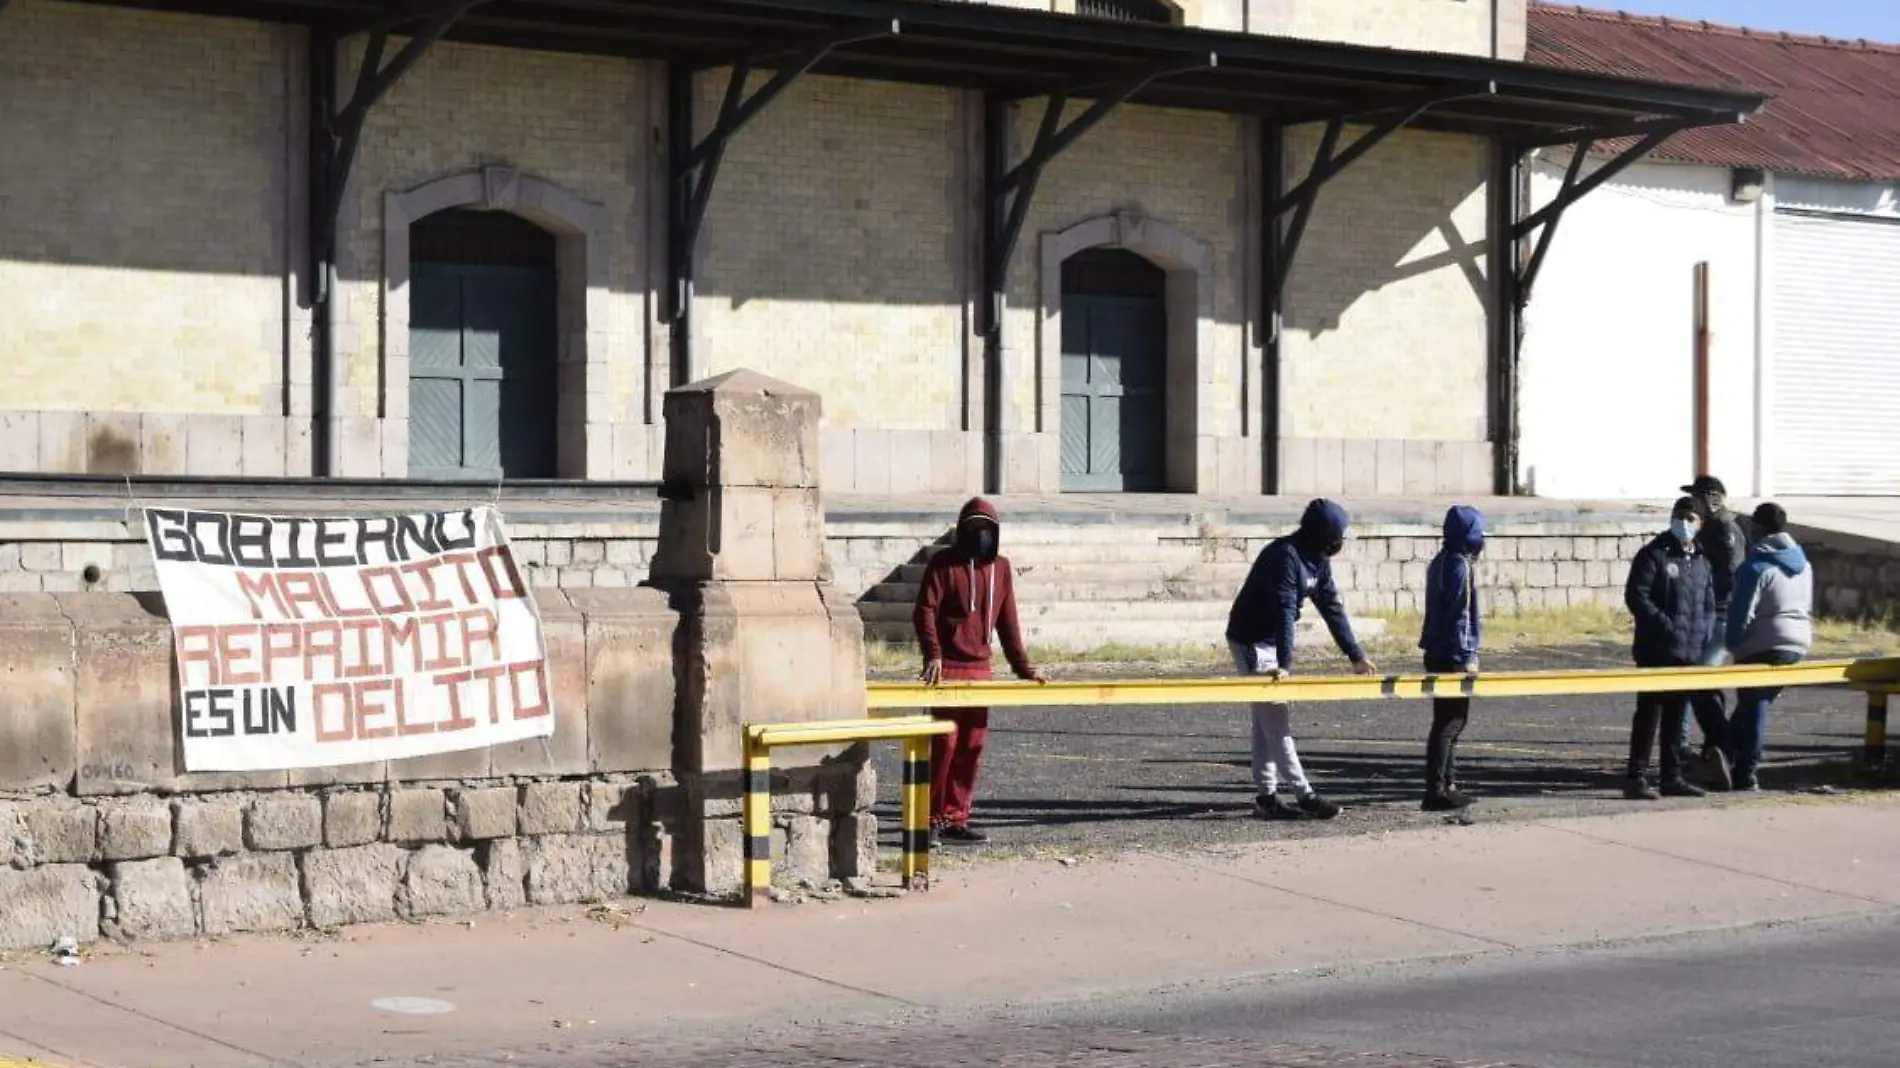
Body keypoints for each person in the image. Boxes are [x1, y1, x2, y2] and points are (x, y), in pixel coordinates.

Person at [1226, 498, 1377, 820]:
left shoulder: (1317, 560)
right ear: (1323, 535)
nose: (1338, 544)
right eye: (1336, 537)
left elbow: (1331, 607)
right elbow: (1284, 612)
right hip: (1251, 641)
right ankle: (1304, 793)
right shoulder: (1285, 557)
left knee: (1265, 723)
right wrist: (1285, 665)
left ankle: (1266, 798)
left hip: (1270, 641)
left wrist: (1356, 656)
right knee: (1276, 720)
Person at [913, 497, 1045, 844]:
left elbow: (1008, 620)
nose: (980, 535)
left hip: (980, 671)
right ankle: (927, 819)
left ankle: (956, 818)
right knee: (944, 744)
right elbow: (925, 609)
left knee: (972, 746)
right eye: (973, 528)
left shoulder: (1000, 568)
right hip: (948, 670)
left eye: (986, 529)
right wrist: (934, 654)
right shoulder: (943, 564)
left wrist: (1024, 668)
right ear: (961, 530)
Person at [1622, 497, 1718, 801]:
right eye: (1679, 516)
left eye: (1690, 517)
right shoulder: (1654, 554)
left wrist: (1703, 632)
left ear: (1701, 523)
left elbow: (1708, 603)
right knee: (1649, 714)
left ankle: (1671, 776)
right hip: (1656, 650)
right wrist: (1665, 625)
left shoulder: (1702, 560)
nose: (1684, 522)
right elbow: (1637, 596)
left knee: (1677, 716)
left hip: (1688, 652)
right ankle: (1636, 777)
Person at [1722, 502, 1813, 792]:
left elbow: (1741, 612)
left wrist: (1732, 643)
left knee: (1754, 704)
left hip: (1763, 642)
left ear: (1757, 528)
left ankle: (1746, 771)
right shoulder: (1804, 564)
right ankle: (1725, 753)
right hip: (1797, 644)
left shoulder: (1757, 565)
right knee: (1753, 704)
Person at [1678, 475, 1752, 785]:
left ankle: (1723, 744)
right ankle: (1712, 748)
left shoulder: (1724, 530)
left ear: (1712, 497)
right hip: (1706, 616)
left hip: (1719, 616)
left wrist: (1705, 597)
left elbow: (1730, 576)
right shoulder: (1707, 528)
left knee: (1698, 683)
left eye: (1697, 496)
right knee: (1699, 682)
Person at [1418, 505, 1484, 812]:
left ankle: (1446, 784)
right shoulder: (1460, 565)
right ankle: (1437, 789)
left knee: (1446, 722)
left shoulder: (1439, 562)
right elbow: (1462, 615)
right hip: (1450, 655)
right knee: (1451, 722)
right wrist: (1466, 657)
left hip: (1435, 651)